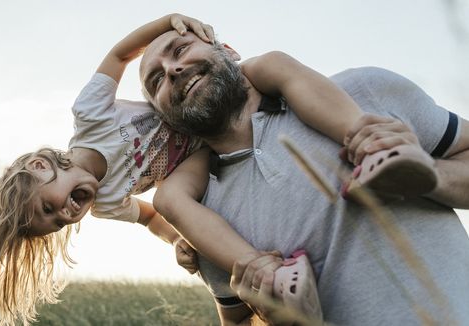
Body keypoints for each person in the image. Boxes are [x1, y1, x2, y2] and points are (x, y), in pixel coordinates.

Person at [139, 29, 469, 325]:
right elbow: (238, 321)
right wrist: (271, 317)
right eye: (157, 81)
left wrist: (433, 176)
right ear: (166, 118)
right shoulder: (202, 222)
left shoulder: (364, 92)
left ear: (227, 49)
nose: (172, 70)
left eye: (180, 49)